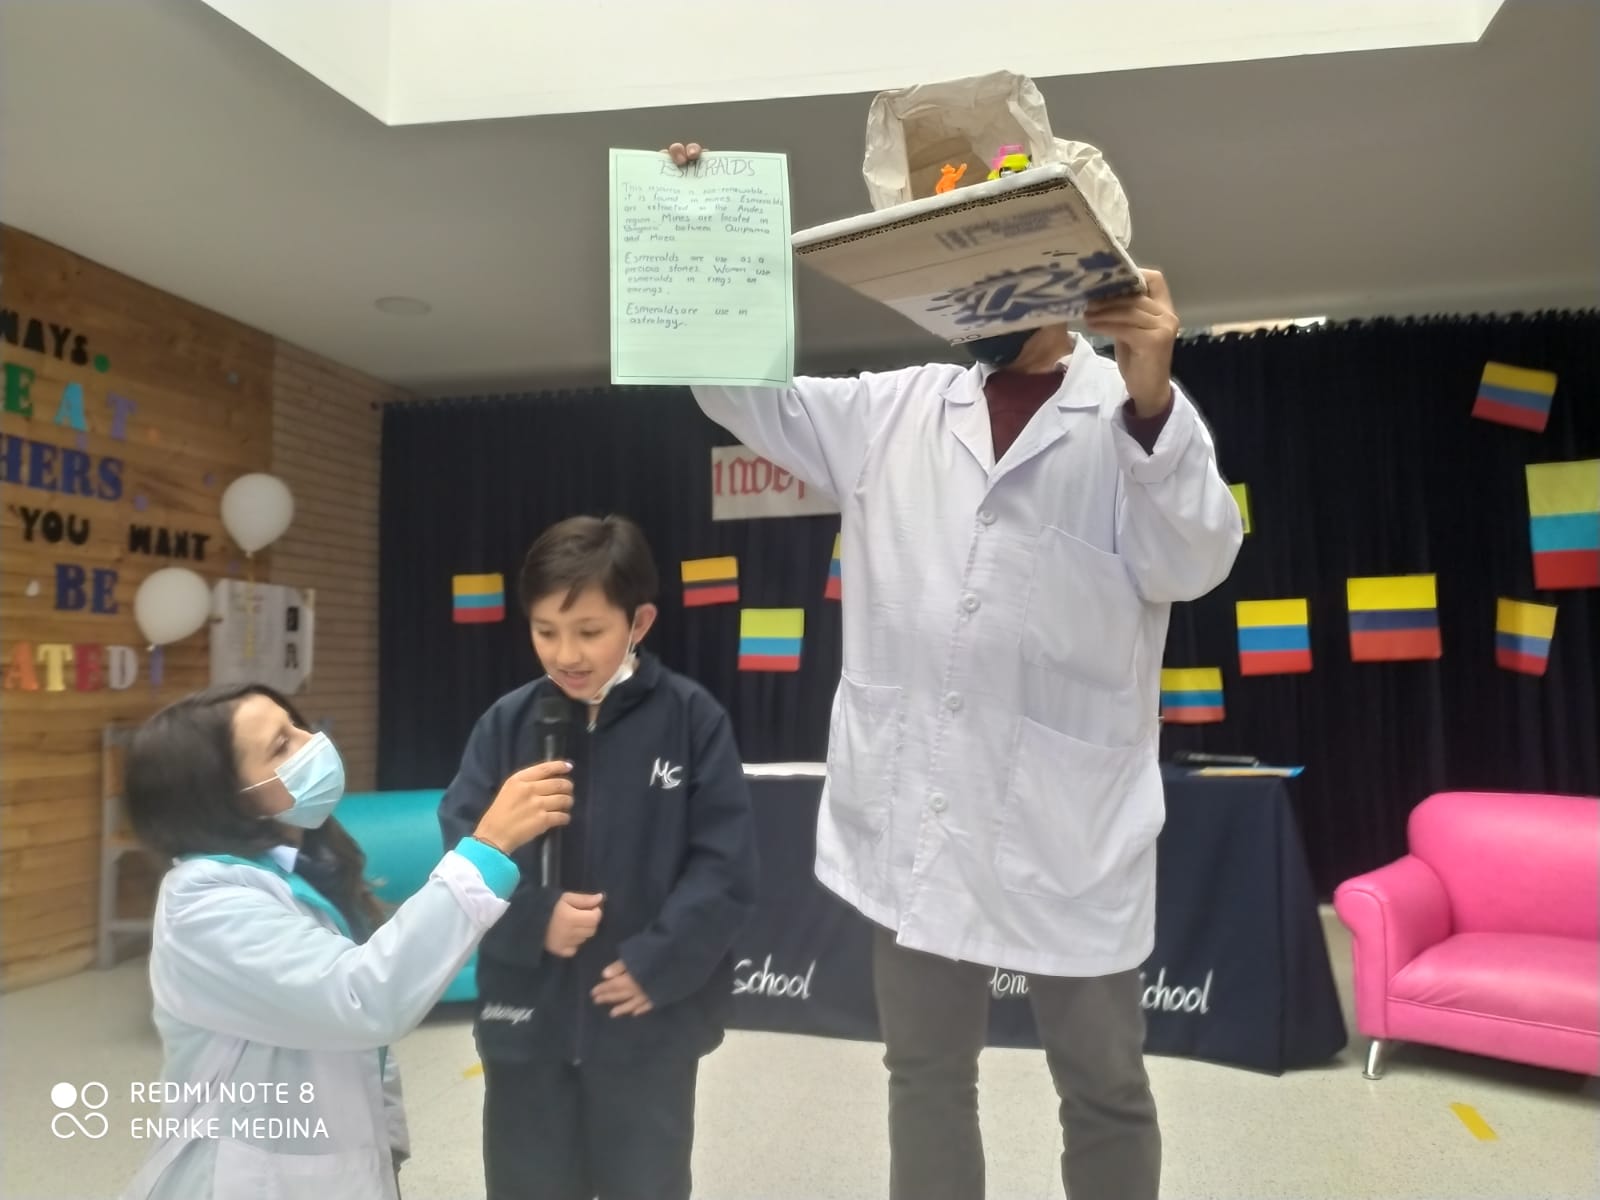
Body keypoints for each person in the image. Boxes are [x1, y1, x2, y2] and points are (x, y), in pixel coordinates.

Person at [668, 138, 1242, 1200]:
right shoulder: (895, 409)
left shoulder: (1134, 419)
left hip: (1069, 830)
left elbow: (1194, 561)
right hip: (919, 814)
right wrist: (701, 225)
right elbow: (735, 390)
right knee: (925, 1074)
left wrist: (1154, 397)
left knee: (1104, 1086)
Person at [118, 682, 572, 1200]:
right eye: (280, 746)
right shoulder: (204, 907)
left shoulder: (301, 867)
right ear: (222, 797)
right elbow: (362, 998)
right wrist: (488, 848)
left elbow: (362, 1051)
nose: (311, 743)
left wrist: (388, 1146)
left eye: (296, 726)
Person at [438, 514, 758, 1200]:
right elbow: (463, 847)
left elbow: (724, 867)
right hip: (527, 1021)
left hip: (645, 1026)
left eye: (589, 632)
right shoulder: (507, 725)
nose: (566, 655)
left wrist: (657, 965)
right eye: (545, 631)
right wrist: (533, 918)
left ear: (639, 621)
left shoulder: (692, 720)